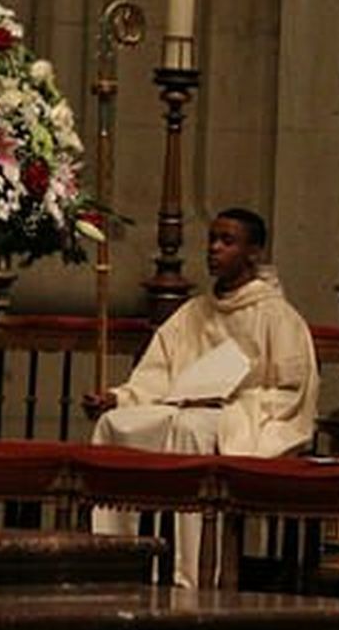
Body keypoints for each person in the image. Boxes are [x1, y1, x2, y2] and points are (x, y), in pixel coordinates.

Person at [82, 207, 319, 588]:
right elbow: (159, 373)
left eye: (227, 241)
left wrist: (232, 404)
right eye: (212, 239)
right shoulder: (194, 312)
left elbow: (291, 390)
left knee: (192, 429)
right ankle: (116, 560)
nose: (214, 248)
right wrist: (119, 398)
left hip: (241, 418)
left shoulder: (277, 316)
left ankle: (193, 572)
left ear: (254, 252)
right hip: (184, 409)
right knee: (116, 425)